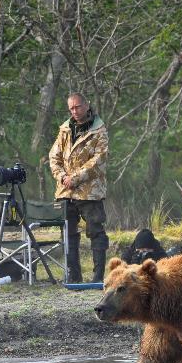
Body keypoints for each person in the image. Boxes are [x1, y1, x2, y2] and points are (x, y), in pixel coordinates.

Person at [49, 92, 109, 282]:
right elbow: (54, 157)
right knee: (68, 233)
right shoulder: (65, 129)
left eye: (78, 107)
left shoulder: (99, 130)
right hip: (65, 191)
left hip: (90, 192)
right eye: (71, 108)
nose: (75, 111)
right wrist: (62, 177)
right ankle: (73, 277)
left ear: (86, 105)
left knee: (96, 232)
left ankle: (98, 277)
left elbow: (99, 161)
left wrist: (75, 178)